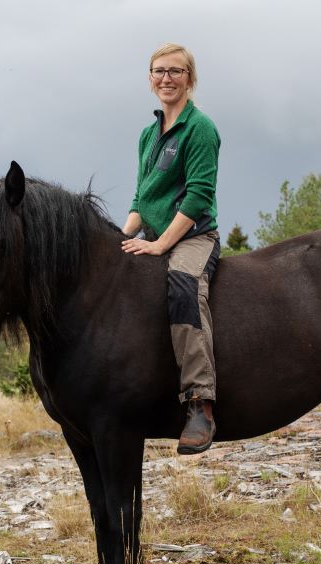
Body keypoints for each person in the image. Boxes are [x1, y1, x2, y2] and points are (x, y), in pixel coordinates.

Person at [122, 43, 221, 455]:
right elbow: (141, 198)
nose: (166, 78)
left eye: (175, 71)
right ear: (150, 79)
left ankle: (200, 404)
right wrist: (120, 239)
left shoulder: (200, 128)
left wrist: (161, 243)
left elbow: (198, 195)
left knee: (184, 286)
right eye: (159, 71)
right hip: (153, 235)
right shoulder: (149, 134)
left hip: (194, 237)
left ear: (189, 78)